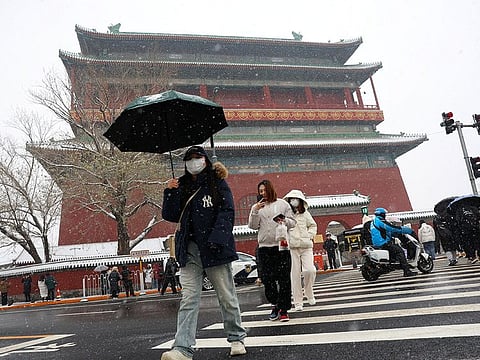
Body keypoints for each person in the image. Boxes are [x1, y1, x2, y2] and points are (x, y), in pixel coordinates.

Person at [161, 145, 247, 360]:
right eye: (189, 159)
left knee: (226, 296)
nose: (193, 162)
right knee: (188, 299)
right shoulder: (180, 185)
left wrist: (218, 238)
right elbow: (171, 215)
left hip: (214, 248)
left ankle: (236, 337)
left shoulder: (217, 183)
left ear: (205, 160)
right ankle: (183, 348)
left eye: (197, 157)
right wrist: (170, 191)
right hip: (189, 250)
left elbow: (227, 211)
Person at [248, 179, 296, 322]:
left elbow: (292, 222)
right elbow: (252, 226)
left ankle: (284, 309)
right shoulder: (257, 207)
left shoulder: (283, 204)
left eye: (264, 190)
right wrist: (254, 211)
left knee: (284, 279)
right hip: (264, 248)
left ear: (270, 189)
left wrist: (284, 221)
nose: (262, 193)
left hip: (281, 247)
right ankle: (275, 304)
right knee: (268, 280)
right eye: (260, 191)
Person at [283, 189, 318, 311]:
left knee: (310, 270)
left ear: (301, 201)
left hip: (306, 246)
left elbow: (313, 225)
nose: (294, 201)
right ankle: (298, 301)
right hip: (292, 248)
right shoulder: (287, 215)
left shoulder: (306, 214)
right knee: (295, 275)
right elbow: (282, 229)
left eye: (296, 199)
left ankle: (309, 292)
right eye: (291, 199)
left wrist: (309, 235)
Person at [370, 208, 417, 277]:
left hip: (377, 243)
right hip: (383, 242)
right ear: (382, 214)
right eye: (384, 214)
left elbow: (384, 231)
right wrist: (404, 230)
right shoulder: (380, 221)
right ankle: (406, 271)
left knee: (394, 252)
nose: (385, 215)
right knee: (400, 251)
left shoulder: (373, 222)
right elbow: (391, 228)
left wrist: (394, 234)